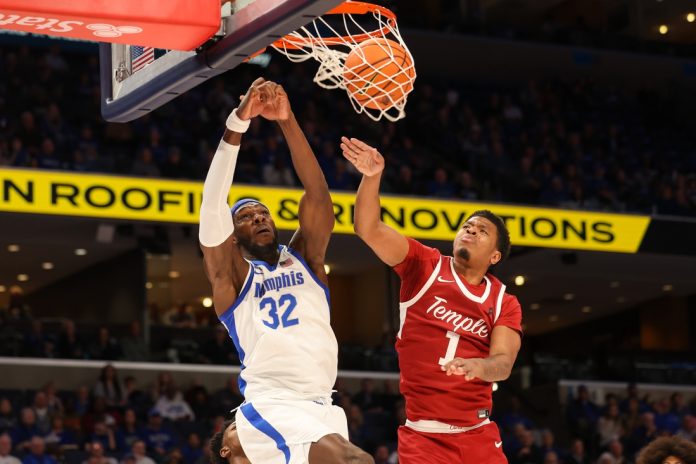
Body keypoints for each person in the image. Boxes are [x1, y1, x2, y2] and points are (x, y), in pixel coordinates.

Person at [200, 78, 372, 464]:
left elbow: (318, 195)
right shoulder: (233, 279)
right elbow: (212, 206)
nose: (259, 217)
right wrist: (238, 122)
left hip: (323, 402)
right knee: (356, 461)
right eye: (246, 216)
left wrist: (287, 120)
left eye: (263, 213)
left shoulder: (306, 258)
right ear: (232, 236)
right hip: (274, 401)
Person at [342, 136, 522, 464]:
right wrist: (372, 177)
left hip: (478, 434)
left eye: (482, 231)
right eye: (467, 226)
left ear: (495, 256)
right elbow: (368, 228)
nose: (471, 230)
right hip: (424, 436)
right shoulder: (423, 265)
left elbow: (503, 363)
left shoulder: (503, 301)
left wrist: (478, 366)